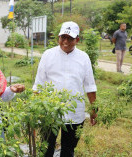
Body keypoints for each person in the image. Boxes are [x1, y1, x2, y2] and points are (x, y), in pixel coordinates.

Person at [32, 21, 97, 157]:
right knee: (46, 148)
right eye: (63, 37)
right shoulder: (48, 55)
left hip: (74, 113)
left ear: (77, 40)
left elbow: (90, 85)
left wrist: (94, 109)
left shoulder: (83, 58)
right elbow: (39, 84)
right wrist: (35, 111)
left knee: (68, 150)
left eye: (70, 38)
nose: (66, 41)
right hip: (49, 112)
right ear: (58, 37)